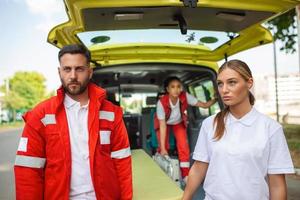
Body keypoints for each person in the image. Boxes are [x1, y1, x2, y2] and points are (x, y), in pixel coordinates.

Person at [14, 44, 132, 200]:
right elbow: (28, 172)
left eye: (80, 69)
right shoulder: (40, 115)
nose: (73, 76)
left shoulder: (111, 114)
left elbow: (122, 164)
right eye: (67, 69)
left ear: (89, 72)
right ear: (59, 72)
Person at [182, 60, 295, 200]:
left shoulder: (271, 129)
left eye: (232, 82)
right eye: (220, 84)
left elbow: (277, 185)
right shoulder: (209, 124)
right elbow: (199, 168)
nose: (224, 90)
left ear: (249, 83)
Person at [155, 76, 217, 182]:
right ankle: (163, 171)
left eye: (179, 86)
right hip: (164, 122)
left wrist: (216, 98)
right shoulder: (161, 103)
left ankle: (185, 175)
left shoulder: (185, 96)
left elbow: (204, 105)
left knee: (184, 147)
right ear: (167, 89)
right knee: (163, 147)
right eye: (173, 87)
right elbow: (162, 125)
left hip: (178, 123)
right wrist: (164, 148)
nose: (176, 89)